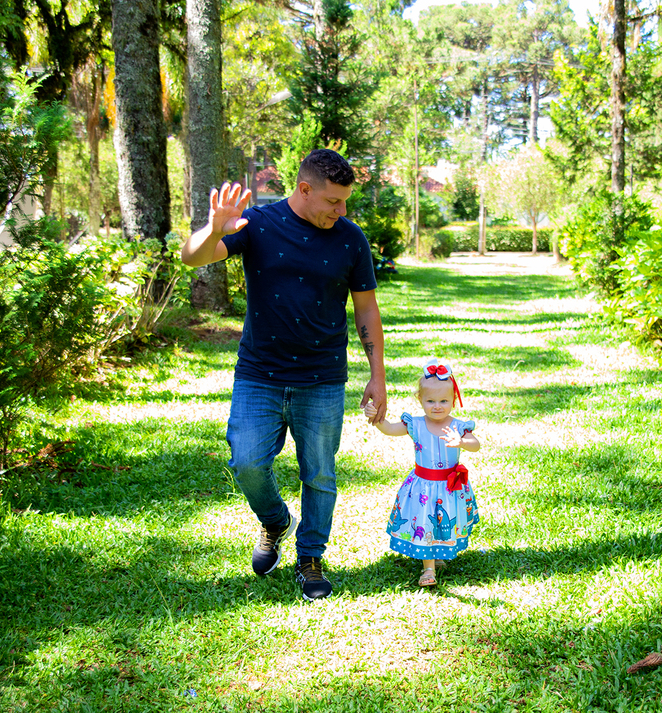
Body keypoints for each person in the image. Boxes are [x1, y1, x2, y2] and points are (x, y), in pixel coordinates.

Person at [180, 149, 387, 602]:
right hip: (260, 374)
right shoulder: (258, 224)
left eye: (346, 201)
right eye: (333, 201)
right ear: (305, 189)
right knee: (246, 462)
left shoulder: (350, 239)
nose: (342, 210)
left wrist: (378, 375)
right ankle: (275, 521)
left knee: (320, 475)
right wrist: (215, 229)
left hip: (322, 378)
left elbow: (366, 310)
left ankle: (310, 557)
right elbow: (192, 258)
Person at [364, 357, 480, 588]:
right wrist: (375, 417)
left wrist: (461, 442)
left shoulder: (458, 426)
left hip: (449, 487)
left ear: (453, 400)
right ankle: (428, 568)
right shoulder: (415, 424)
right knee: (426, 522)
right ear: (420, 400)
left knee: (444, 520)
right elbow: (389, 429)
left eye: (444, 401)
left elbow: (476, 444)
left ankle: (438, 553)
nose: (437, 406)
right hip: (423, 487)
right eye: (430, 401)